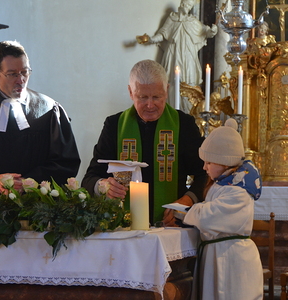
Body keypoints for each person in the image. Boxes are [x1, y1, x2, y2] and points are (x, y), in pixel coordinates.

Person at [81, 59, 207, 226]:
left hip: (171, 227)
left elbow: (205, 174)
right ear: (130, 92)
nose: (150, 105)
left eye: (156, 97)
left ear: (166, 90)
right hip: (123, 229)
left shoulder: (184, 124)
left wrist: (187, 201)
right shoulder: (114, 125)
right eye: (142, 97)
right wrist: (103, 186)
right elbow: (90, 178)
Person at [181, 119, 263, 300]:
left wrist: (189, 211)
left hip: (232, 260)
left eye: (209, 162)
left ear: (224, 163)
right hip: (217, 255)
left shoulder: (239, 192)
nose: (204, 167)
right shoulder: (222, 185)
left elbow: (208, 217)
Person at [0, 40, 81, 193]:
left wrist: (29, 183)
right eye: (12, 74)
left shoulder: (49, 109)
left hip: (37, 206)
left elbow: (66, 163)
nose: (21, 80)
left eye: (25, 72)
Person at [136, 0, 217, 109]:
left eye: (189, 5)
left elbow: (205, 32)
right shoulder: (172, 19)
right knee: (173, 81)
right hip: (174, 55)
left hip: (188, 56)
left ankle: (189, 113)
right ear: (181, 4)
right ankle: (172, 110)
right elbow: (162, 34)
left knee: (190, 81)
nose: (186, 6)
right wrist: (150, 40)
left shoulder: (192, 21)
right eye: (185, 4)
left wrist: (213, 30)